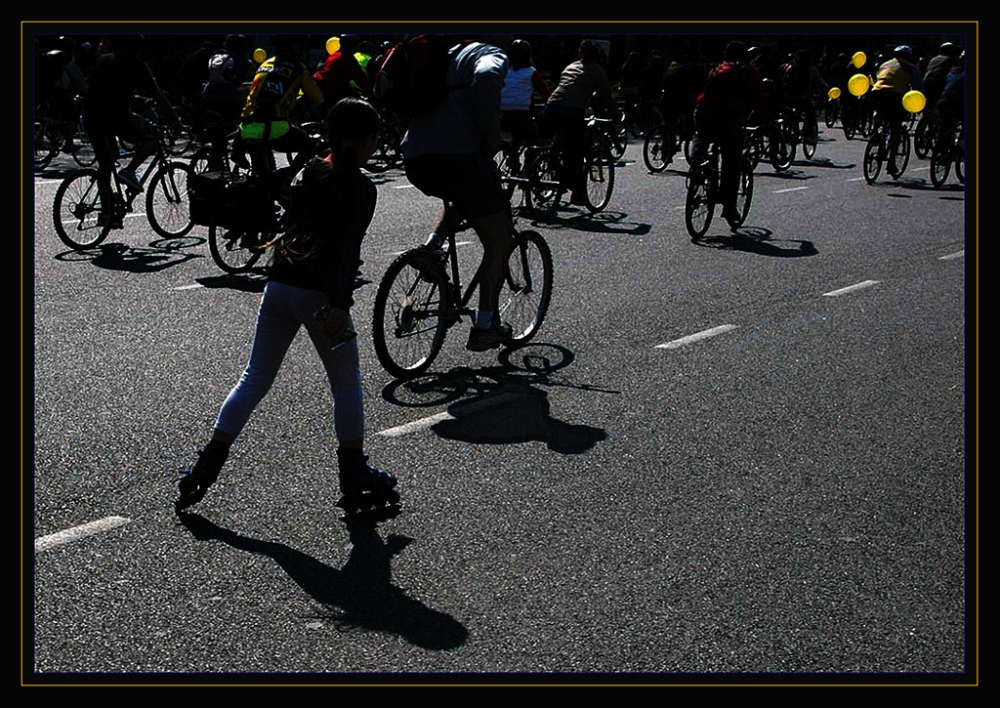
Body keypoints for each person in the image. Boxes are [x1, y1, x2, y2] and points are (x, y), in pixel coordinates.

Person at [176, 97, 397, 513]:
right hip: (322, 300)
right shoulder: (362, 187)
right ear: (369, 141)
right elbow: (346, 251)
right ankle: (353, 474)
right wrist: (339, 303)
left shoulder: (308, 172)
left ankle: (205, 467)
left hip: (278, 288)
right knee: (346, 383)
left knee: (254, 378)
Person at [401, 39, 516, 352]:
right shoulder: (489, 54)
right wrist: (492, 135)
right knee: (500, 242)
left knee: (462, 198)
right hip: (460, 156)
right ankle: (485, 326)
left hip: (416, 156)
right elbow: (489, 78)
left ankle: (431, 249)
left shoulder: (445, 54)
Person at [83, 33, 178, 226]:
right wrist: (176, 121)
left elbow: (103, 88)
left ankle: (106, 213)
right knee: (151, 139)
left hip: (92, 116)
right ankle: (130, 171)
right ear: (136, 47)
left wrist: (133, 100)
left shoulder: (102, 60)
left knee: (106, 165)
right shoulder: (136, 64)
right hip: (115, 117)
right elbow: (158, 95)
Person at [689, 40, 773, 227]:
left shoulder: (717, 69)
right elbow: (760, 102)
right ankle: (729, 206)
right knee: (732, 160)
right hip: (730, 117)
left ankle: (696, 167)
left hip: (703, 112)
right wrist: (770, 126)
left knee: (701, 137)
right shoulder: (749, 72)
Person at [541, 39, 618, 206]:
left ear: (580, 54)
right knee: (575, 152)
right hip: (572, 111)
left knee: (548, 143)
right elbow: (606, 97)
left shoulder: (570, 67)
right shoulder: (597, 70)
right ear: (597, 56)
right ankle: (577, 193)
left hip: (551, 107)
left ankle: (547, 166)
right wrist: (616, 116)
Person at [239, 35, 325, 176]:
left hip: (247, 126)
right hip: (274, 127)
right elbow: (318, 100)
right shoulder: (298, 68)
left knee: (261, 170)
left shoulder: (264, 65)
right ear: (296, 48)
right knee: (310, 147)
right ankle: (287, 177)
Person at [869, 45, 924, 176]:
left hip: (877, 92)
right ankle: (892, 161)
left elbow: (878, 79)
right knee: (896, 128)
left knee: (879, 109)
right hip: (896, 96)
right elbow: (918, 88)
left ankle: (875, 131)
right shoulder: (911, 67)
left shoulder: (884, 65)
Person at [499, 38, 550, 173]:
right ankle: (528, 168)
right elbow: (545, 94)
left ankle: (513, 158)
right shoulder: (531, 72)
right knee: (535, 141)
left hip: (500, 113)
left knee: (515, 137)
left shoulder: (503, 71)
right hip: (521, 114)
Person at [312, 34, 373, 107]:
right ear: (352, 46)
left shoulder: (335, 55)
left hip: (318, 86)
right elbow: (361, 78)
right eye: (356, 45)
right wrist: (371, 92)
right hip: (330, 91)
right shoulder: (348, 58)